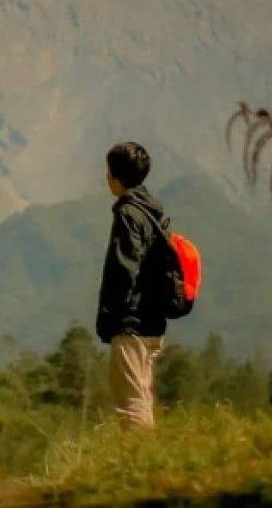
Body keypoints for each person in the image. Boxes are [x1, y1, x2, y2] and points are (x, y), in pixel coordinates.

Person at [96, 141, 170, 428]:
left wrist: (111, 317)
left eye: (108, 171)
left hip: (131, 323)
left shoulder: (128, 214)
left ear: (116, 176)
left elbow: (123, 270)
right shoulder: (154, 213)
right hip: (153, 321)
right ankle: (143, 462)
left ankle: (140, 465)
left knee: (131, 403)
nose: (106, 178)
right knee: (141, 395)